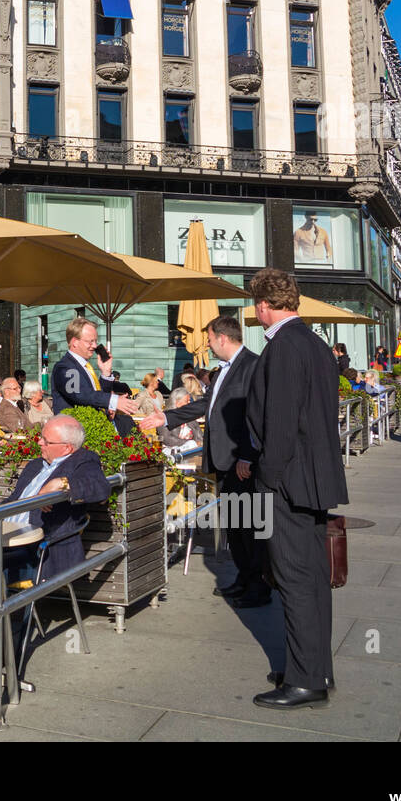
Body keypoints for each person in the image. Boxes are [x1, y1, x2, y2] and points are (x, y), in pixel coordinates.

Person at [245, 268, 347, 710]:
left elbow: (281, 424)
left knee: (294, 579)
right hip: (314, 477)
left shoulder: (284, 347)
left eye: (255, 305)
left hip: (287, 482)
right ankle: (315, 666)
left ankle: (306, 680)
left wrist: (267, 479)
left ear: (263, 306)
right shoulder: (315, 344)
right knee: (313, 578)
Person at [141, 315, 267, 603]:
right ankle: (244, 577)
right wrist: (166, 415)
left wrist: (249, 455)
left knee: (249, 524)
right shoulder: (224, 370)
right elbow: (205, 404)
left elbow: (259, 416)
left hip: (241, 461)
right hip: (223, 460)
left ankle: (259, 586)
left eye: (209, 339)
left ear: (222, 338)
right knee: (234, 525)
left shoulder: (253, 365)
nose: (208, 346)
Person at [3, 415, 110, 579]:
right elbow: (13, 500)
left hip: (37, 550)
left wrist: (62, 483)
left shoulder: (83, 461)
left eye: (46, 441)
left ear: (67, 448)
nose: (39, 442)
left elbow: (100, 487)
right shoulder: (36, 464)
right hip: (4, 538)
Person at [51, 316, 138, 434]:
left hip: (92, 430)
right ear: (74, 342)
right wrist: (113, 400)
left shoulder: (85, 366)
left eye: (96, 341)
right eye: (90, 341)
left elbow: (96, 396)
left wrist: (106, 373)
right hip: (73, 434)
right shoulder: (65, 367)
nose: (95, 346)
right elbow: (80, 394)